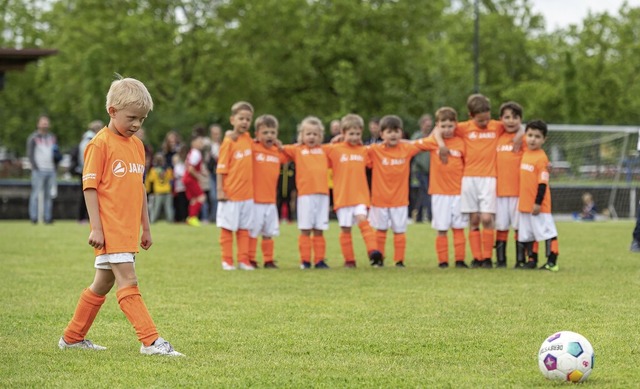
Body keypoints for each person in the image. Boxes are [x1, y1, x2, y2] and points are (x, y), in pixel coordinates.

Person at [58, 77, 183, 356]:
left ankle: (72, 338)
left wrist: (146, 229)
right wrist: (96, 228)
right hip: (110, 229)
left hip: (128, 229)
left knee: (102, 283)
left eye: (142, 119)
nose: (137, 125)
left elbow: (139, 189)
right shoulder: (99, 144)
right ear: (112, 111)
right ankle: (151, 342)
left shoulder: (137, 146)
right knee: (129, 281)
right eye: (131, 118)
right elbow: (89, 187)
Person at [433, 94, 521, 268]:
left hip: (489, 178)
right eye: (481, 121)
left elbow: (519, 126)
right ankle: (477, 258)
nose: (485, 123)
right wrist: (442, 144)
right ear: (471, 116)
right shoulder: (464, 128)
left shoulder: (496, 126)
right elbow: (437, 130)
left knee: (487, 218)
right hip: (469, 178)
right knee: (474, 219)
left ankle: (488, 257)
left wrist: (520, 134)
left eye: (487, 118)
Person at [367, 115, 432, 267]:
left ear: (401, 133)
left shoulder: (407, 147)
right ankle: (379, 259)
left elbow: (428, 143)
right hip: (380, 199)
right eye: (389, 131)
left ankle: (399, 261)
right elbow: (356, 151)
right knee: (381, 230)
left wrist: (440, 132)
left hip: (400, 199)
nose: (393, 135)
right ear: (382, 134)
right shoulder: (374, 150)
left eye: (397, 131)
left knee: (399, 231)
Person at [414, 108, 469, 268]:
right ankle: (443, 261)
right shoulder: (432, 142)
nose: (446, 129)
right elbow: (412, 146)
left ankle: (459, 260)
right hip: (439, 192)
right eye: (443, 126)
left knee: (458, 227)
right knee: (442, 228)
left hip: (458, 192)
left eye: (450, 126)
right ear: (437, 126)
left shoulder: (461, 143)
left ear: (455, 125)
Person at [325, 114, 382, 268]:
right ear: (343, 133)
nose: (355, 137)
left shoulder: (363, 151)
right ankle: (349, 260)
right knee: (345, 228)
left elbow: (372, 163)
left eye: (357, 134)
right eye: (351, 134)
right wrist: (332, 142)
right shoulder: (334, 149)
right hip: (342, 196)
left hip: (360, 194)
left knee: (363, 219)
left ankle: (373, 252)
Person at [282, 116, 330, 269]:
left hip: (322, 195)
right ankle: (305, 260)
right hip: (305, 195)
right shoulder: (297, 150)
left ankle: (320, 260)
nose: (311, 137)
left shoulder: (325, 150)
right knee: (305, 228)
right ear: (301, 135)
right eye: (308, 134)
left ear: (320, 136)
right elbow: (280, 148)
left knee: (319, 229)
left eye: (315, 134)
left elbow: (340, 147)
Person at [216, 101, 255, 270]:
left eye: (248, 119)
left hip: (247, 195)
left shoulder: (248, 139)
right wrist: (220, 190)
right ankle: (227, 260)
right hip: (230, 194)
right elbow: (220, 169)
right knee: (227, 228)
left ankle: (243, 260)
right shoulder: (229, 142)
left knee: (244, 229)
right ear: (233, 120)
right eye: (241, 118)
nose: (245, 122)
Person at [517, 119, 559, 271]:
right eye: (530, 135)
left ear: (544, 139)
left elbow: (542, 183)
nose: (532, 139)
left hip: (539, 206)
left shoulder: (541, 158)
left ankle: (552, 261)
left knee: (548, 233)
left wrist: (537, 203)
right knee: (529, 235)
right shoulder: (525, 153)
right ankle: (532, 260)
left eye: (537, 136)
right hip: (525, 205)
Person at [248, 115, 289, 269]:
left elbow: (290, 155)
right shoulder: (253, 148)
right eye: (265, 132)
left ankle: (268, 260)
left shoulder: (276, 152)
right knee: (253, 231)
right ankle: (250, 258)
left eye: (272, 132)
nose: (269, 136)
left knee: (268, 232)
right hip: (255, 200)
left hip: (271, 200)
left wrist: (281, 147)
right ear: (257, 134)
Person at [495, 102, 525, 267]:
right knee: (501, 226)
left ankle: (520, 259)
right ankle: (500, 260)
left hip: (518, 192)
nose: (511, 121)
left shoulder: (524, 139)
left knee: (518, 226)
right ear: (501, 119)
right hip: (499, 191)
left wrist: (522, 133)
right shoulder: (498, 136)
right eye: (507, 117)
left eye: (515, 117)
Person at [27, 115, 60, 224]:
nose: (45, 125)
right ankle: (34, 217)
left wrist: (56, 165)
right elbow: (30, 154)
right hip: (39, 170)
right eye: (43, 123)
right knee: (35, 194)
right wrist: (35, 167)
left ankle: (47, 217)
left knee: (48, 195)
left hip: (51, 170)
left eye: (46, 123)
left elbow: (56, 152)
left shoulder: (52, 137)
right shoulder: (33, 138)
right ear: (38, 124)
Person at [76, 120, 104, 223]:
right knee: (87, 195)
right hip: (88, 170)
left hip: (84, 169)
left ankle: (83, 217)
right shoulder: (92, 140)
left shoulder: (85, 139)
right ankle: (83, 217)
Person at [409, 114, 433, 223]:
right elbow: (411, 150)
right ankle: (429, 215)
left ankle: (419, 216)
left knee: (423, 194)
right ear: (422, 125)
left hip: (431, 171)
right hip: (419, 170)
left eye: (429, 125)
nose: (428, 127)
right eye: (426, 125)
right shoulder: (417, 136)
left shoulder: (433, 137)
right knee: (425, 192)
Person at [183, 134, 207, 227]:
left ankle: (190, 218)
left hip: (187, 178)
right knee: (201, 197)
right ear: (194, 143)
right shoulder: (196, 153)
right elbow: (191, 169)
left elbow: (188, 165)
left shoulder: (192, 152)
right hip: (190, 179)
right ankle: (193, 218)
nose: (201, 144)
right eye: (199, 142)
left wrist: (202, 173)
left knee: (194, 199)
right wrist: (199, 177)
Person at [145, 152, 174, 223]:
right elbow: (171, 179)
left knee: (156, 208)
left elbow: (150, 180)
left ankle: (152, 221)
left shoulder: (153, 170)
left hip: (158, 191)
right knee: (168, 208)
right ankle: (170, 221)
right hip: (167, 190)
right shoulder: (168, 169)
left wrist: (150, 191)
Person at [207, 124, 222, 222]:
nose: (216, 135)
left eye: (217, 134)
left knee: (219, 196)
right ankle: (213, 216)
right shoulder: (208, 146)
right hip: (211, 173)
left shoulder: (224, 145)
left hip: (220, 173)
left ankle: (218, 217)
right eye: (214, 134)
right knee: (212, 196)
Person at [171, 146, 189, 223]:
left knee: (186, 203)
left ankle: (186, 218)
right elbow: (178, 174)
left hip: (186, 187)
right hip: (180, 187)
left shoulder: (186, 164)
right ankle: (180, 218)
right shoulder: (178, 165)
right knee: (180, 203)